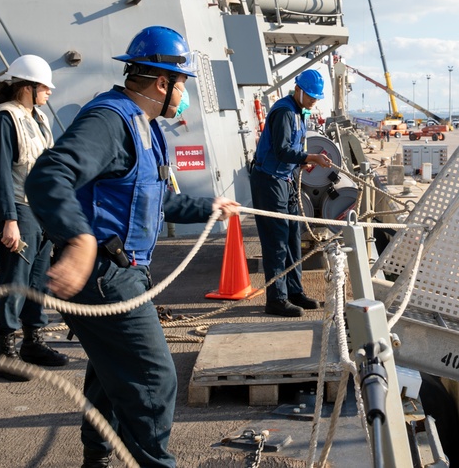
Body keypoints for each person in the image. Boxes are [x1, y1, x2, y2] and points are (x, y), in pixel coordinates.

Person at [25, 26, 240, 468]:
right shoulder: (110, 120)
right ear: (162, 83)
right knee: (153, 380)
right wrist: (81, 239)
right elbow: (47, 176)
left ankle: (97, 457)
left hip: (124, 271)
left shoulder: (145, 126)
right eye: (181, 86)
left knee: (109, 372)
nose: (183, 97)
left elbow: (153, 200)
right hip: (106, 277)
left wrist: (209, 207)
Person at [0, 54, 68, 381]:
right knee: (16, 279)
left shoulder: (38, 117)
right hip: (17, 207)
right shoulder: (4, 119)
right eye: (44, 87)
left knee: (38, 279)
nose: (49, 92)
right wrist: (9, 219)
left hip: (40, 209)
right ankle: (5, 352)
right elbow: (3, 174)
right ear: (27, 87)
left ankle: (34, 342)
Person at [249, 69, 333, 318]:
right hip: (269, 181)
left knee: (293, 237)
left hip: (284, 179)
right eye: (311, 96)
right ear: (299, 90)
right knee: (276, 241)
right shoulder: (285, 111)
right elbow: (283, 150)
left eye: (317, 97)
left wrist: (303, 163)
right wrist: (310, 157)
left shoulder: (298, 112)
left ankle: (294, 292)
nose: (314, 101)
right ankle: (276, 299)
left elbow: (289, 153)